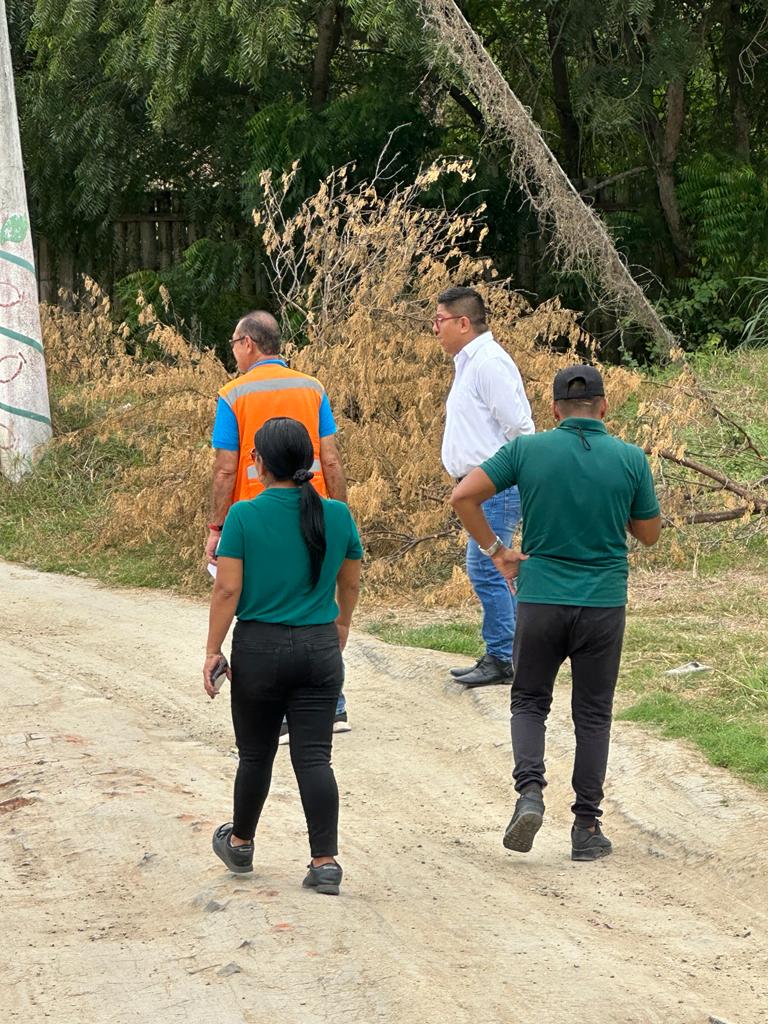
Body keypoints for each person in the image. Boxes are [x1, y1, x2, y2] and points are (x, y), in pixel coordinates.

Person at [450, 365, 661, 861]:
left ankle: (530, 793)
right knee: (593, 712)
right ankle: (586, 827)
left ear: (554, 410)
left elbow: (463, 495)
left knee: (529, 701)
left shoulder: (527, 451)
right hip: (602, 603)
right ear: (604, 407)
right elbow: (649, 534)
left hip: (541, 597)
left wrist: (497, 550)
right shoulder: (630, 458)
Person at [203, 417, 362, 895]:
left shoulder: (243, 517)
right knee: (315, 757)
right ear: (309, 462)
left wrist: (212, 650)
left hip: (259, 649)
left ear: (258, 463)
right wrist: (341, 626)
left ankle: (241, 843)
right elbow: (349, 582)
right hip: (319, 647)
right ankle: (325, 862)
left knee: (255, 755)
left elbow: (227, 590)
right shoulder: (337, 515)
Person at [206, 311, 351, 739]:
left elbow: (226, 468)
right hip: (314, 511)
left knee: (269, 611)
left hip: (257, 516)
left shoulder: (233, 395)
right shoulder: (312, 388)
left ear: (249, 343)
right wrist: (339, 518)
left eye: (234, 344)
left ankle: (282, 709)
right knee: (312, 603)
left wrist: (216, 527)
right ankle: (332, 703)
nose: (234, 353)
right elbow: (331, 459)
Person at [435, 286, 534, 687]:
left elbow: (520, 428)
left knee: (488, 567)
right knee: (493, 567)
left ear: (463, 323)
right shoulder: (468, 363)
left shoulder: (489, 362)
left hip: (495, 484)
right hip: (480, 485)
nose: (435, 328)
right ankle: (514, 653)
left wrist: (509, 475)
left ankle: (504, 657)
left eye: (440, 320)